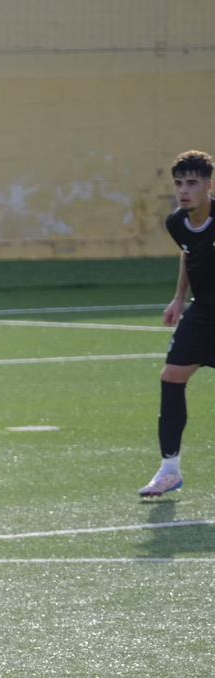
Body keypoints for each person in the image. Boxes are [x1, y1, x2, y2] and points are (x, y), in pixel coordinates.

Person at [141, 150, 215, 497]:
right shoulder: (176, 223)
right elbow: (189, 253)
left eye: (192, 183)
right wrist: (178, 297)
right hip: (203, 313)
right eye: (179, 183)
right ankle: (169, 470)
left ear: (208, 186)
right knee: (171, 377)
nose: (183, 190)